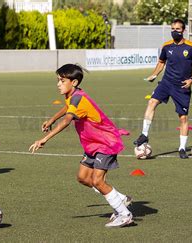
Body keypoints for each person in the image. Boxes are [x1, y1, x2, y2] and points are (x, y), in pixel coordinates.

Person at [29, 64, 133, 228]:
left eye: (62, 81)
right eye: (58, 80)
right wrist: (51, 119)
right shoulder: (73, 96)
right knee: (83, 178)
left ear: (74, 82)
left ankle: (125, 214)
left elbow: (67, 120)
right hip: (92, 144)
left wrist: (44, 139)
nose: (58, 84)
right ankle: (121, 199)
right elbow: (67, 107)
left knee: (98, 181)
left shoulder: (78, 98)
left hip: (105, 142)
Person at [134, 18, 192, 159]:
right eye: (172, 29)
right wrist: (154, 74)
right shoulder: (166, 46)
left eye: (177, 29)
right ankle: (144, 135)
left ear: (183, 30)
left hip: (182, 86)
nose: (174, 31)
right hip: (166, 82)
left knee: (183, 117)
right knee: (152, 102)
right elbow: (161, 63)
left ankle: (182, 148)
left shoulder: (191, 47)